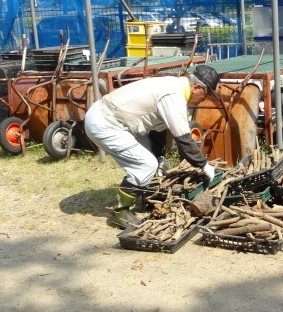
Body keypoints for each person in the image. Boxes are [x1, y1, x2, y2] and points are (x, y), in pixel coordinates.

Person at [84, 64, 221, 228]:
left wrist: (158, 155)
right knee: (145, 165)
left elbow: (159, 130)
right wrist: (203, 165)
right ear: (197, 87)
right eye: (205, 95)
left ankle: (142, 196)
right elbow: (183, 139)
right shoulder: (173, 96)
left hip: (110, 119)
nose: (203, 100)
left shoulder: (174, 86)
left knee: (154, 163)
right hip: (104, 123)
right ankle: (120, 212)